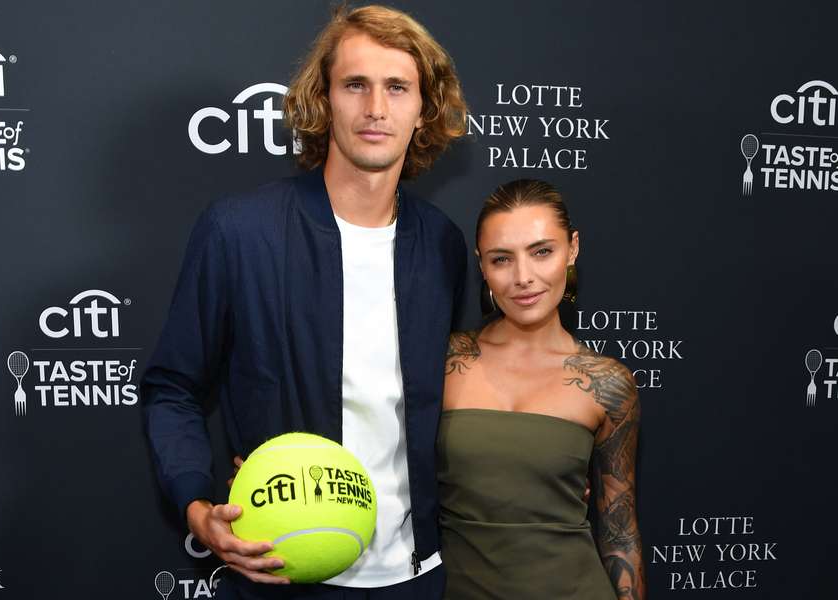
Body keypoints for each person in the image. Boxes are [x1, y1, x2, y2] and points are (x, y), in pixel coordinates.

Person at [141, 5, 468, 599]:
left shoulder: (442, 244)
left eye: (398, 87)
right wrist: (195, 505)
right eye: (355, 85)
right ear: (324, 99)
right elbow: (172, 387)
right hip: (281, 572)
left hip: (417, 577)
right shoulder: (239, 231)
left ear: (423, 111)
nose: (375, 108)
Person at [441, 180, 646, 599]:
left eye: (542, 252)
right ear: (481, 265)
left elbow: (619, 532)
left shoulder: (607, 383)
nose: (523, 278)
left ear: (572, 249)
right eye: (501, 259)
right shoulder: (443, 361)